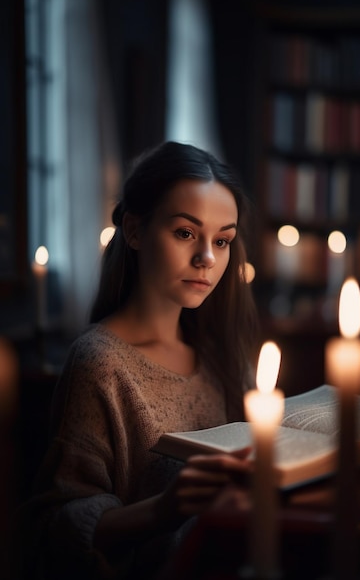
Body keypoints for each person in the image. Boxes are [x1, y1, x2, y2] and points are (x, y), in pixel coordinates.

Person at [17, 141, 260, 580]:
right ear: (133, 230)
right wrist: (164, 510)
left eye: (222, 241)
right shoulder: (101, 363)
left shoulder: (222, 356)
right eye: (186, 233)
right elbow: (57, 528)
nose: (207, 258)